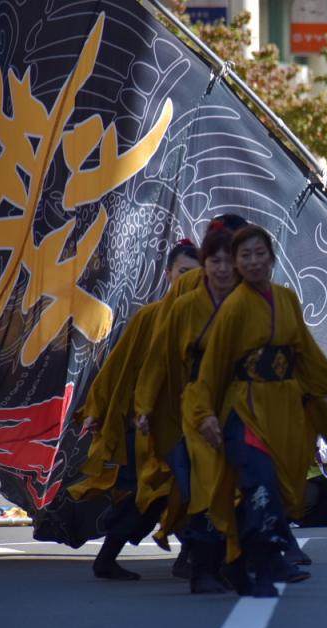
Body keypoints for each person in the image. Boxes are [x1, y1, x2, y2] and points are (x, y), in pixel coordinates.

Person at [186, 225, 327, 597]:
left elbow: (304, 351)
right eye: (245, 256)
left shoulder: (286, 299)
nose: (254, 261)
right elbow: (212, 368)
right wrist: (205, 414)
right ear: (238, 264)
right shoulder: (233, 309)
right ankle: (268, 558)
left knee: (276, 487)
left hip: (284, 411)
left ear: (272, 258)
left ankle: (240, 565)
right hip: (243, 409)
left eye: (260, 253)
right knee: (260, 484)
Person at [69, 240, 201, 580]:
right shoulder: (149, 317)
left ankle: (191, 556)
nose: (190, 280)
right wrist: (103, 412)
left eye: (197, 274)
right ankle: (109, 558)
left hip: (192, 423)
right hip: (146, 425)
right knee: (143, 495)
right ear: (170, 274)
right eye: (184, 272)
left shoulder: (208, 318)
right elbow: (119, 369)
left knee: (192, 488)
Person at [134, 227, 241, 593]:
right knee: (198, 489)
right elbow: (157, 363)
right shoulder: (182, 308)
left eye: (230, 261)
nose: (223, 269)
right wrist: (144, 407)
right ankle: (203, 569)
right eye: (215, 261)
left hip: (239, 410)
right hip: (192, 412)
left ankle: (232, 563)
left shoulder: (251, 304)